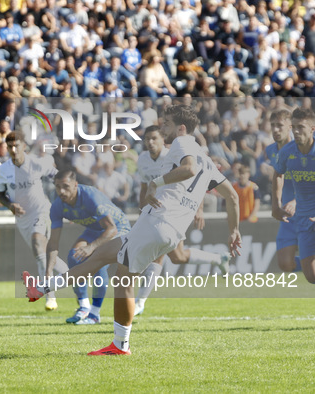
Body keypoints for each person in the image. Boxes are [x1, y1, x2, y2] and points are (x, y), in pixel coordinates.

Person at [24, 105, 242, 355]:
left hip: (158, 222)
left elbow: (189, 169)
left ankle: (120, 345)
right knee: (101, 256)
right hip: (170, 231)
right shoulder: (208, 162)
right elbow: (232, 197)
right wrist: (234, 230)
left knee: (122, 279)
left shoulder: (183, 143)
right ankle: (41, 288)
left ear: (182, 128)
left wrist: (155, 183)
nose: (163, 128)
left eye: (167, 124)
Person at [133, 126, 231, 316]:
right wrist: (141, 210)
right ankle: (219, 258)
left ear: (163, 139)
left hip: (175, 210)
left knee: (157, 254)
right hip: (154, 210)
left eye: (154, 138)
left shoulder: (174, 155)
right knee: (177, 257)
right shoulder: (143, 159)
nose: (150, 142)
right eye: (147, 139)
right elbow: (145, 187)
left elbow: (194, 179)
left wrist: (199, 208)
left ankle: (140, 302)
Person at [0, 132, 68, 311]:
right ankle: (70, 275)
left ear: (24, 146)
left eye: (16, 145)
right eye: (10, 146)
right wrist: (10, 205)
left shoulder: (36, 163)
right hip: (23, 219)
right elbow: (0, 196)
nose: (13, 149)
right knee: (43, 255)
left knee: (38, 243)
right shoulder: (3, 171)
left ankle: (49, 296)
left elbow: (59, 177)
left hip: (42, 211)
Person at [48, 169, 132, 324]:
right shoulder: (57, 206)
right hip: (96, 230)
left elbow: (111, 228)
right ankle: (84, 307)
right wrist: (48, 273)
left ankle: (95, 313)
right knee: (74, 257)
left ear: (75, 185)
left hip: (118, 228)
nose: (61, 191)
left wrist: (91, 247)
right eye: (58, 187)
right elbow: (53, 242)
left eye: (65, 186)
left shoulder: (90, 197)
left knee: (97, 262)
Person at [272, 108, 315, 284]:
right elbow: (278, 174)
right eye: (294, 127)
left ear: (312, 128)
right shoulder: (287, 152)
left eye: (301, 127)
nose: (296, 132)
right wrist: (276, 205)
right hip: (303, 219)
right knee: (311, 276)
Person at [265, 109, 299, 273]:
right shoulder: (271, 150)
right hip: (288, 216)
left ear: (290, 127)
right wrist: (276, 206)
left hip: (308, 211)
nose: (275, 129)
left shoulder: (303, 149)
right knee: (285, 264)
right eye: (272, 125)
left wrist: (296, 201)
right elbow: (277, 177)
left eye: (280, 125)